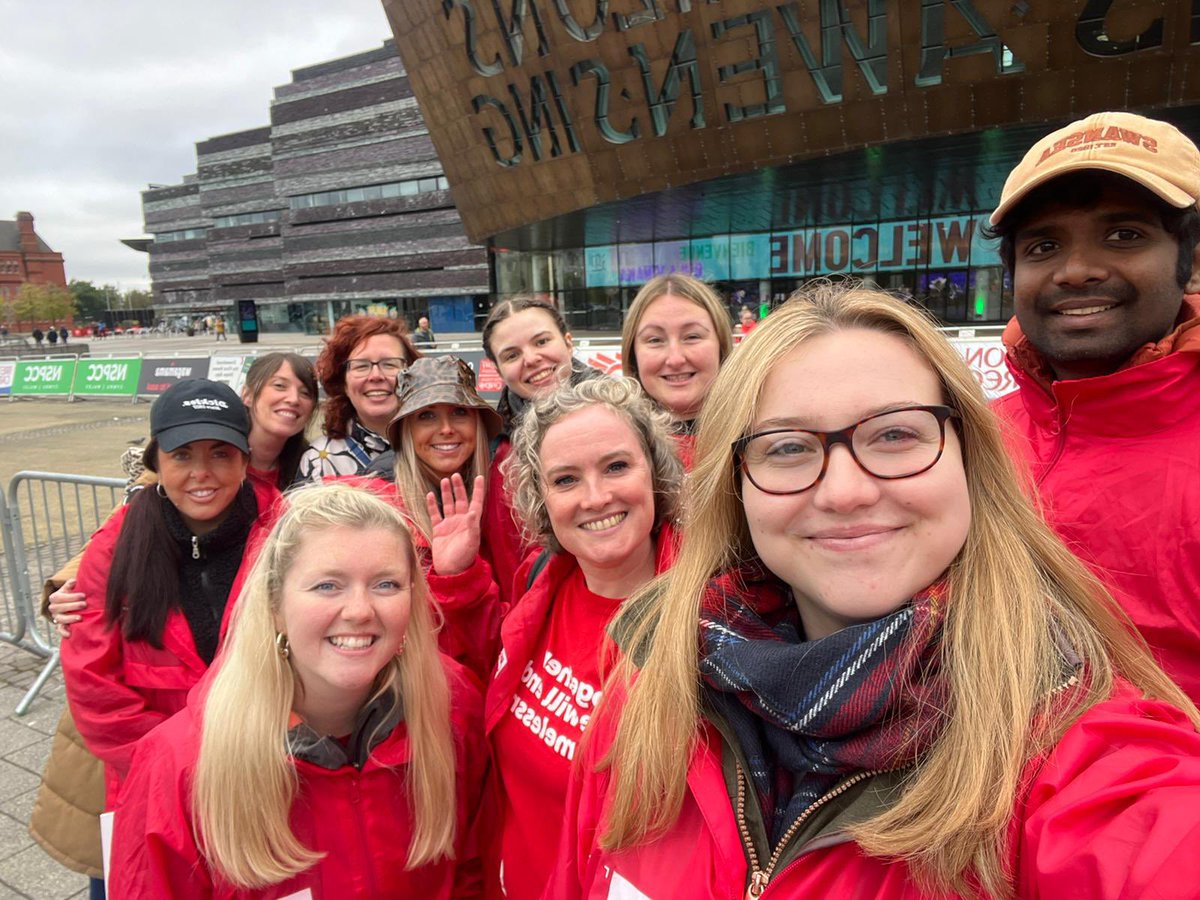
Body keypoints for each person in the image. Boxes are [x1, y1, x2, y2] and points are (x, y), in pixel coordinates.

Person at [544, 284, 1200, 900]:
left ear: (968, 458)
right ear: (735, 488)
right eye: (788, 447)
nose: (846, 492)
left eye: (895, 434)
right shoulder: (651, 688)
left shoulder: (1089, 758)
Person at [110, 483, 486, 897]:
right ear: (275, 605)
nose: (360, 611)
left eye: (386, 585)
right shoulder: (179, 764)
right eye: (327, 585)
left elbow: (473, 873)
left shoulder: (451, 713)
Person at [986, 111, 1200, 703]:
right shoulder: (971, 436)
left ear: (1191, 262)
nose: (1077, 271)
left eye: (1124, 235)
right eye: (1044, 245)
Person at [487, 376, 682, 900]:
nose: (596, 498)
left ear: (655, 472)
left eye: (616, 467)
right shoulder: (538, 585)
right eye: (566, 479)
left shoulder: (710, 626)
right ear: (542, 498)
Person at [59, 379, 281, 819]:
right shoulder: (116, 546)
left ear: (245, 461)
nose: (201, 472)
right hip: (156, 782)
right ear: (156, 463)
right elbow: (93, 685)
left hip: (269, 771)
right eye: (182, 455)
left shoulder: (286, 532)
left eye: (220, 453)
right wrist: (180, 765)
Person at [366, 355, 505, 679]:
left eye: (459, 412)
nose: (445, 429)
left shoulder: (504, 491)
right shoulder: (378, 508)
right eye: (426, 415)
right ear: (407, 430)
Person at [480, 297, 599, 604]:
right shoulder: (493, 451)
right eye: (512, 355)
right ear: (499, 370)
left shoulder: (629, 419)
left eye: (542, 341)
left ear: (568, 342)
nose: (531, 359)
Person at [620, 273, 732, 463]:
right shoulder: (613, 445)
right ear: (633, 355)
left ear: (721, 346)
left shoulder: (759, 435)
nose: (675, 359)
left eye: (692, 336)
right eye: (655, 340)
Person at [295, 315, 420, 483]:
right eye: (361, 366)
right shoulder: (320, 462)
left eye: (389, 364)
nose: (376, 376)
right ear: (343, 383)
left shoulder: (439, 444)